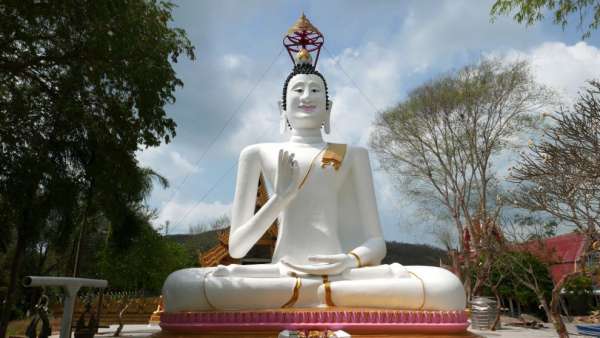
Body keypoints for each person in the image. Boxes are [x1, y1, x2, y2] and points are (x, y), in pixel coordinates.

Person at [162, 54, 465, 313]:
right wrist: (280, 198)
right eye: (298, 90)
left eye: (314, 90)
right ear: (283, 108)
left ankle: (320, 296)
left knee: (446, 286)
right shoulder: (257, 153)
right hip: (281, 272)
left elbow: (377, 244)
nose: (306, 97)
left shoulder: (352, 155)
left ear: (328, 107)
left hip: (341, 275)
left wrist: (348, 260)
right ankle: (327, 300)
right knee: (179, 286)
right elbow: (239, 248)